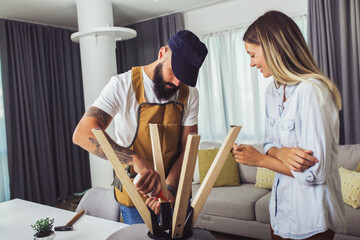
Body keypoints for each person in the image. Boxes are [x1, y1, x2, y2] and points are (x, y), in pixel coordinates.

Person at [73, 30, 208, 224]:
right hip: (134, 195)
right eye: (175, 71)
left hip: (174, 191)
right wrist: (134, 159)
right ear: (162, 53)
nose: (178, 82)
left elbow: (188, 148)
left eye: (184, 77)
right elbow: (82, 133)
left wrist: (168, 189)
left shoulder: (189, 94)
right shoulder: (122, 84)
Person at [232, 11, 346, 240]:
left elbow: (316, 171)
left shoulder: (312, 92)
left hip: (312, 220)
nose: (251, 63)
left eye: (253, 54)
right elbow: (268, 142)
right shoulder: (272, 92)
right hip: (280, 214)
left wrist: (260, 160)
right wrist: (281, 152)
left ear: (272, 47)